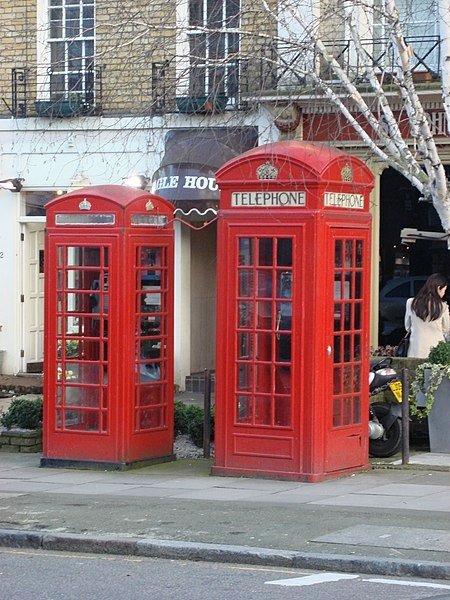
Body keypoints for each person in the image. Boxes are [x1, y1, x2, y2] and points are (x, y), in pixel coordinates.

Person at [404, 273, 450, 358]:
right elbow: (446, 329)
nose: (444, 293)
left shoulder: (411, 303)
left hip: (415, 350)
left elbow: (408, 327)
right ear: (438, 288)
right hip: (436, 351)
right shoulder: (443, 306)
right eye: (444, 290)